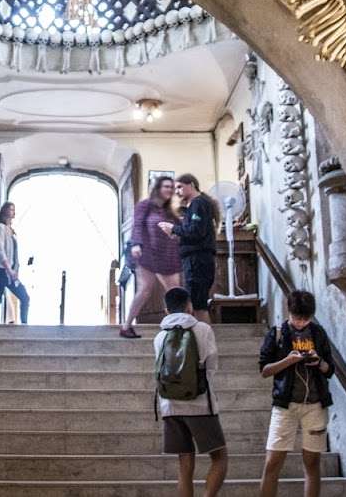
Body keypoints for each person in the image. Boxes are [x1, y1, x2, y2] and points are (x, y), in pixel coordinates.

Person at [257, 289, 335, 497]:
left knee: (312, 463)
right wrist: (288, 361)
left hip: (315, 405)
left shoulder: (318, 333)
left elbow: (330, 370)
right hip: (285, 405)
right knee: (272, 463)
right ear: (288, 312)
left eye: (305, 318)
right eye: (296, 318)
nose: (301, 323)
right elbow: (264, 370)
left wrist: (319, 362)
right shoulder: (277, 333)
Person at [154, 286, 228, 497]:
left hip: (170, 406)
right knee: (220, 458)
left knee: (184, 466)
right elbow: (212, 366)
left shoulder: (159, 337)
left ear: (166, 310)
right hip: (200, 404)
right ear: (189, 307)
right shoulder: (203, 329)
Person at [120, 175, 182, 338]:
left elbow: (180, 229)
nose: (169, 190)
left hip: (167, 256)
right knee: (145, 290)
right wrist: (136, 244)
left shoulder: (170, 212)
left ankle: (178, 327)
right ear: (158, 188)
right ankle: (126, 326)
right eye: (166, 186)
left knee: (175, 292)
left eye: (171, 187)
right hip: (147, 254)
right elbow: (138, 224)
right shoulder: (145, 205)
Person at [158, 173, 218, 322]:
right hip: (195, 260)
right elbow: (193, 231)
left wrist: (174, 229)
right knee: (197, 303)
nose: (177, 191)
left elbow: (196, 231)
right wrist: (176, 233)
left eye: (179, 187)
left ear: (191, 185)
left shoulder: (198, 203)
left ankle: (202, 341)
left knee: (198, 305)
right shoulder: (194, 206)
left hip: (198, 260)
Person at [0, 202, 30, 324]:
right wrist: (8, 268)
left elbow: (13, 254)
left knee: (24, 297)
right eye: (10, 209)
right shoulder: (0, 227)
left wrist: (14, 270)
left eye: (14, 209)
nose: (13, 212)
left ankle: (24, 324)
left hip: (10, 273)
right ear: (4, 211)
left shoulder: (11, 230)